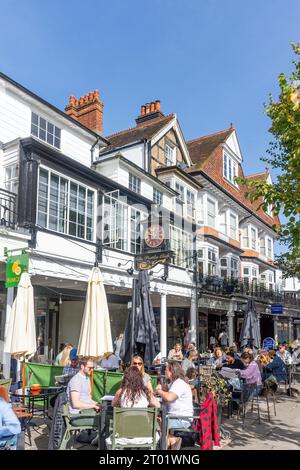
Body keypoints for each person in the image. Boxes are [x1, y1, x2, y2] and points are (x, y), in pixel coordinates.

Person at [156, 361, 193, 450]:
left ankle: (170, 440)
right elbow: (165, 388)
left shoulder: (179, 383)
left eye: (166, 369)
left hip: (181, 419)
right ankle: (171, 440)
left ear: (171, 371)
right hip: (174, 417)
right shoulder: (174, 383)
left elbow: (169, 397)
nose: (164, 371)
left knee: (156, 422)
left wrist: (159, 391)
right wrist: (160, 386)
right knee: (158, 420)